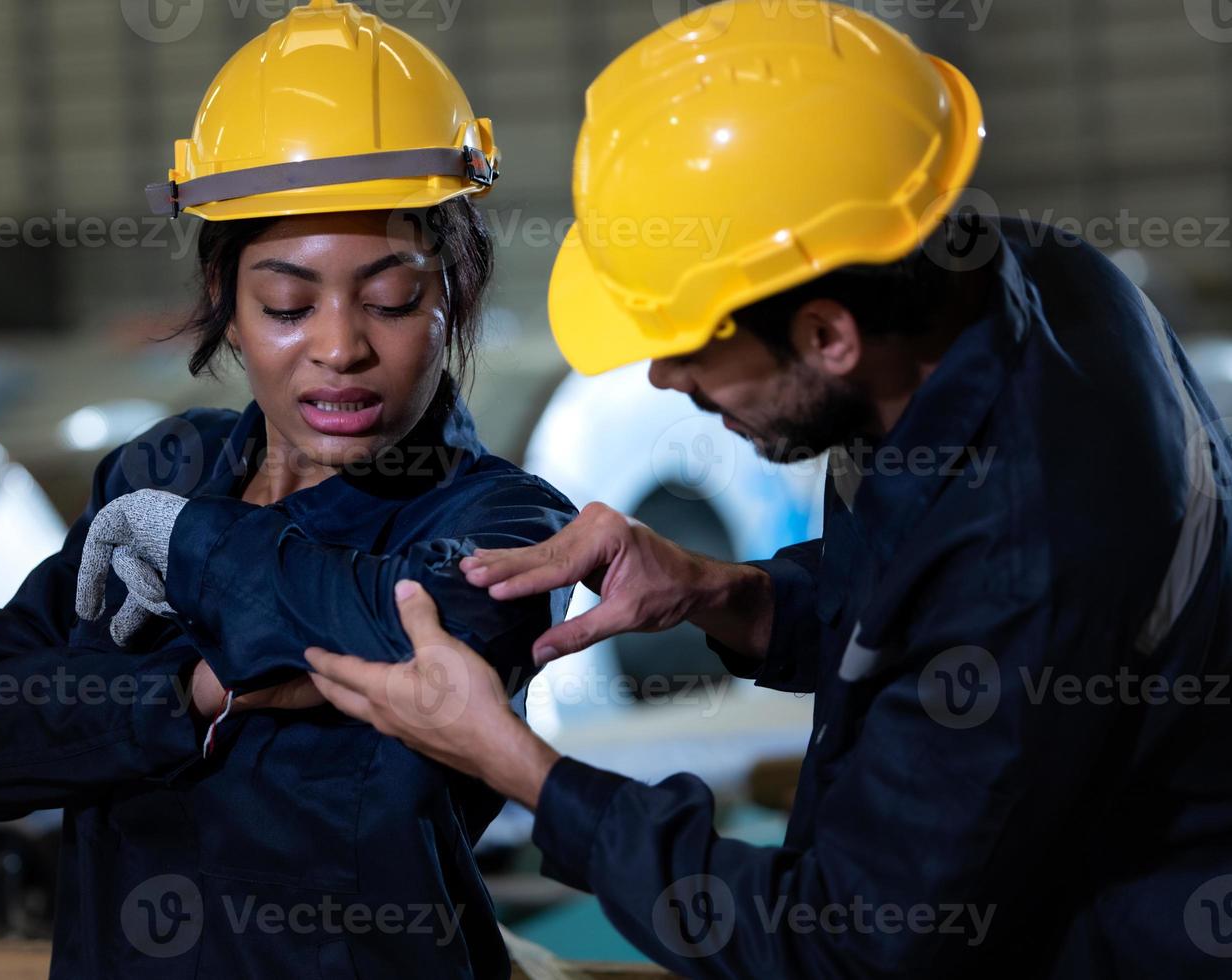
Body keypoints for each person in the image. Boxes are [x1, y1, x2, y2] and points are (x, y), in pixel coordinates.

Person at [302, 2, 1232, 977]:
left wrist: (525, 769)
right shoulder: (1032, 282)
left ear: (830, 334)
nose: (665, 378)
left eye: (692, 342)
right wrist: (728, 592)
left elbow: (849, 949)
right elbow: (921, 599)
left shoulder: (1030, 542)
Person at [0, 2, 576, 977]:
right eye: (286, 302)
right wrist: (193, 686)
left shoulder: (504, 520)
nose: (339, 346)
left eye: (392, 297)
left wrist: (186, 546)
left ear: (457, 291)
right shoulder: (163, 469)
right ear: (227, 309)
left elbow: (408, 643)